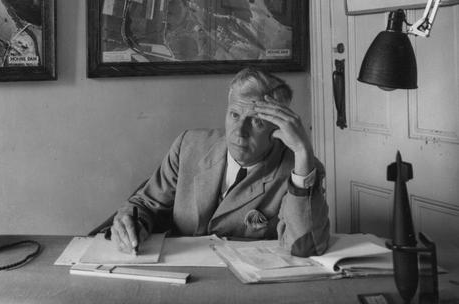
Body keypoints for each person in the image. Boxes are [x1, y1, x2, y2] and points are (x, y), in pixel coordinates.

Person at [110, 68, 330, 257]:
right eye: (234, 115)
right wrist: (130, 221)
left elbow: (304, 247)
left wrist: (302, 151)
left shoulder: (300, 170)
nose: (239, 132)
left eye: (257, 122)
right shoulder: (189, 146)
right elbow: (147, 205)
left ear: (278, 128)